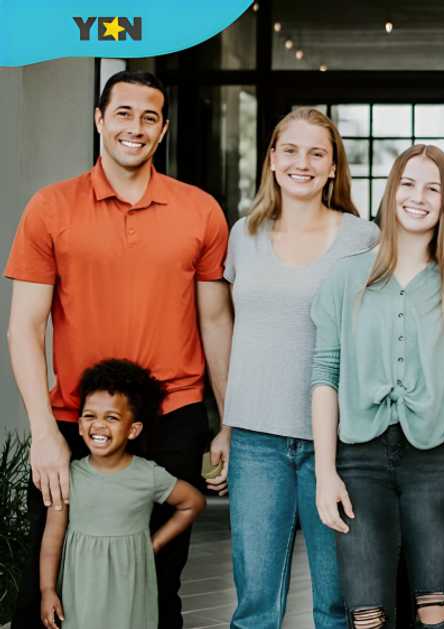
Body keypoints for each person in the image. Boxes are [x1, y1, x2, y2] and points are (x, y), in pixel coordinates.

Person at [5, 70, 232, 629]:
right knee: (50, 585)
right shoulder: (50, 207)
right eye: (123, 113)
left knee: (158, 583)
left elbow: (216, 321)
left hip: (172, 418)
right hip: (76, 421)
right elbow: (25, 327)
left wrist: (228, 421)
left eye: (149, 117)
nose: (136, 127)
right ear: (99, 120)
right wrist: (43, 433)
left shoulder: (201, 211)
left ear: (163, 130)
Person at [310, 144, 444, 629]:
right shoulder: (346, 278)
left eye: (433, 189)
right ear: (391, 190)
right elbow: (325, 375)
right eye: (408, 184)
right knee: (367, 615)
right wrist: (325, 473)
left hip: (437, 462)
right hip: (358, 461)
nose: (418, 198)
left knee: (436, 609)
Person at [205, 107, 379, 628]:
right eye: (291, 150)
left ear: (333, 168)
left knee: (337, 603)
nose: (302, 163)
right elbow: (232, 332)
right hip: (256, 440)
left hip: (338, 443)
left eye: (316, 153)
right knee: (255, 604)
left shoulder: (363, 239)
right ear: (273, 160)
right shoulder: (244, 234)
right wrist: (227, 424)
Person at [39, 359, 205, 629]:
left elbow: (192, 503)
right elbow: (52, 538)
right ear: (79, 425)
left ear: (133, 429)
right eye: (90, 416)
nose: (99, 425)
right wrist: (47, 590)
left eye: (112, 417)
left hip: (130, 588)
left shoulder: (148, 475)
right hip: (81, 590)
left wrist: (155, 543)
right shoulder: (67, 476)